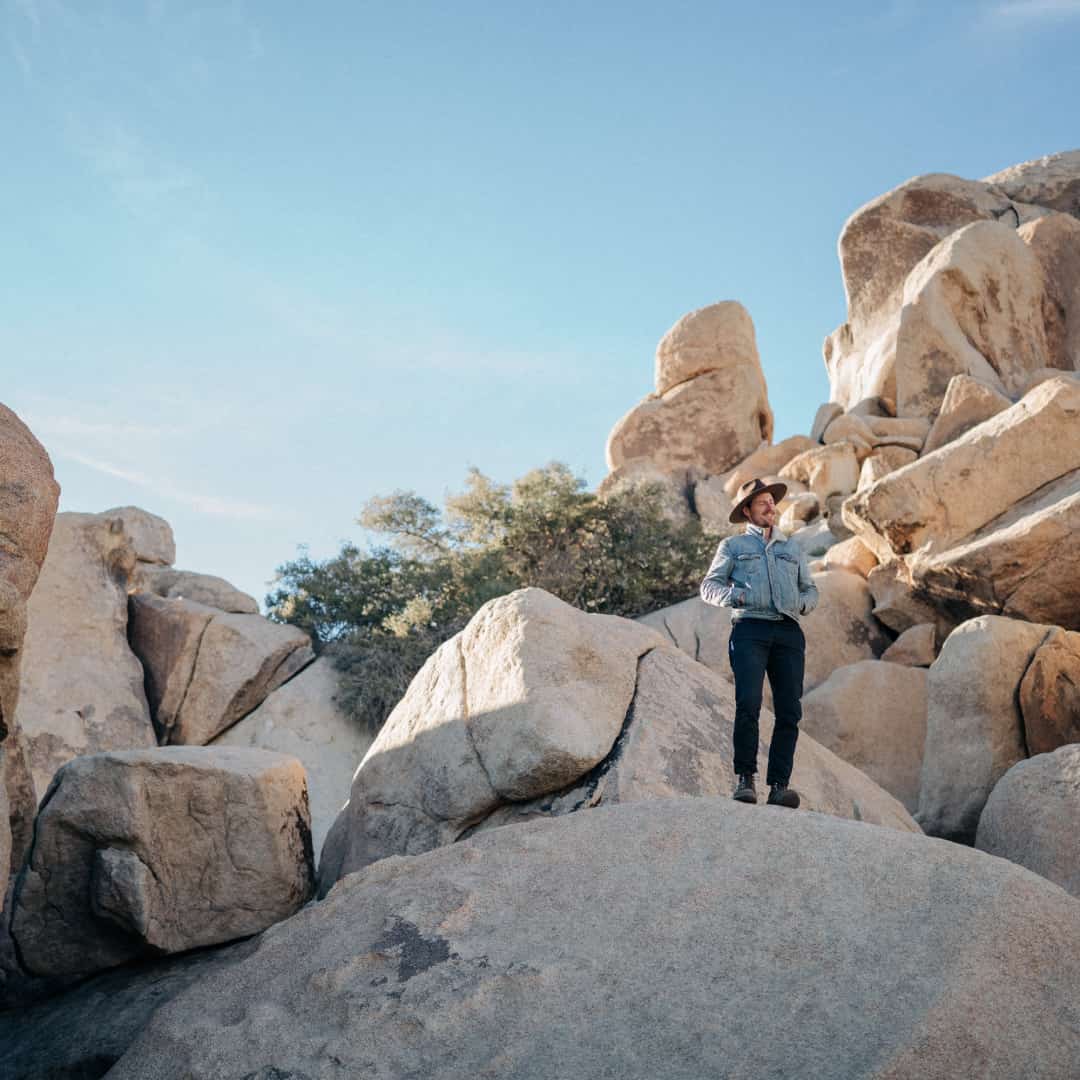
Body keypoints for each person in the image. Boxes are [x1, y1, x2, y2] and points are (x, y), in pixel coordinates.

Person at [699, 477, 819, 808]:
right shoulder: (732, 547)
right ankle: (745, 781)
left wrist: (804, 604)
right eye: (762, 502)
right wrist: (736, 596)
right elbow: (709, 587)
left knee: (790, 712)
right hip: (749, 629)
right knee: (748, 703)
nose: (770, 506)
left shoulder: (791, 548)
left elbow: (810, 588)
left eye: (771, 501)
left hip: (788, 632)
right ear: (748, 511)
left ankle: (779, 787)